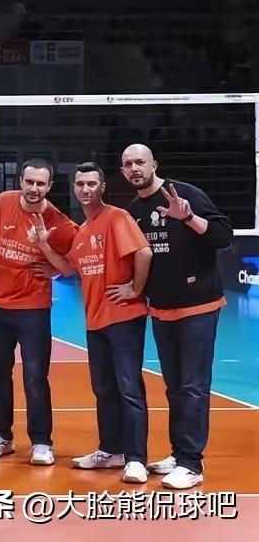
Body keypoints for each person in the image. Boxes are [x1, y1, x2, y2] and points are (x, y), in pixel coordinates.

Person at [122, 144, 232, 490]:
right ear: (123, 171)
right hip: (162, 309)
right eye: (128, 164)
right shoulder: (134, 211)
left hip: (198, 307)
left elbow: (222, 237)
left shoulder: (184, 194)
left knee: (194, 387)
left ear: (154, 164)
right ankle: (178, 453)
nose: (135, 168)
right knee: (175, 388)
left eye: (140, 162)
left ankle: (191, 464)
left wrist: (187, 217)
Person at [34, 162, 151, 485]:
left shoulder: (117, 218)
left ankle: (136, 459)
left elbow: (143, 253)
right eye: (80, 184)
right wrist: (43, 245)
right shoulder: (82, 231)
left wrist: (135, 289)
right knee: (104, 389)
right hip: (95, 322)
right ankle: (111, 450)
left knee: (129, 389)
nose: (85, 189)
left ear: (102, 188)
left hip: (124, 318)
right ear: (74, 189)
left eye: (91, 184)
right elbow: (68, 268)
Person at [0, 158, 78, 465]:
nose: (34, 188)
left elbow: (70, 267)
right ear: (21, 182)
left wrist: (47, 254)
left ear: (49, 186)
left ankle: (41, 442)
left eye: (41, 183)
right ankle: (1, 436)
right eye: (29, 182)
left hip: (33, 309)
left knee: (35, 377)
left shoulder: (58, 222)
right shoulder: (2, 203)